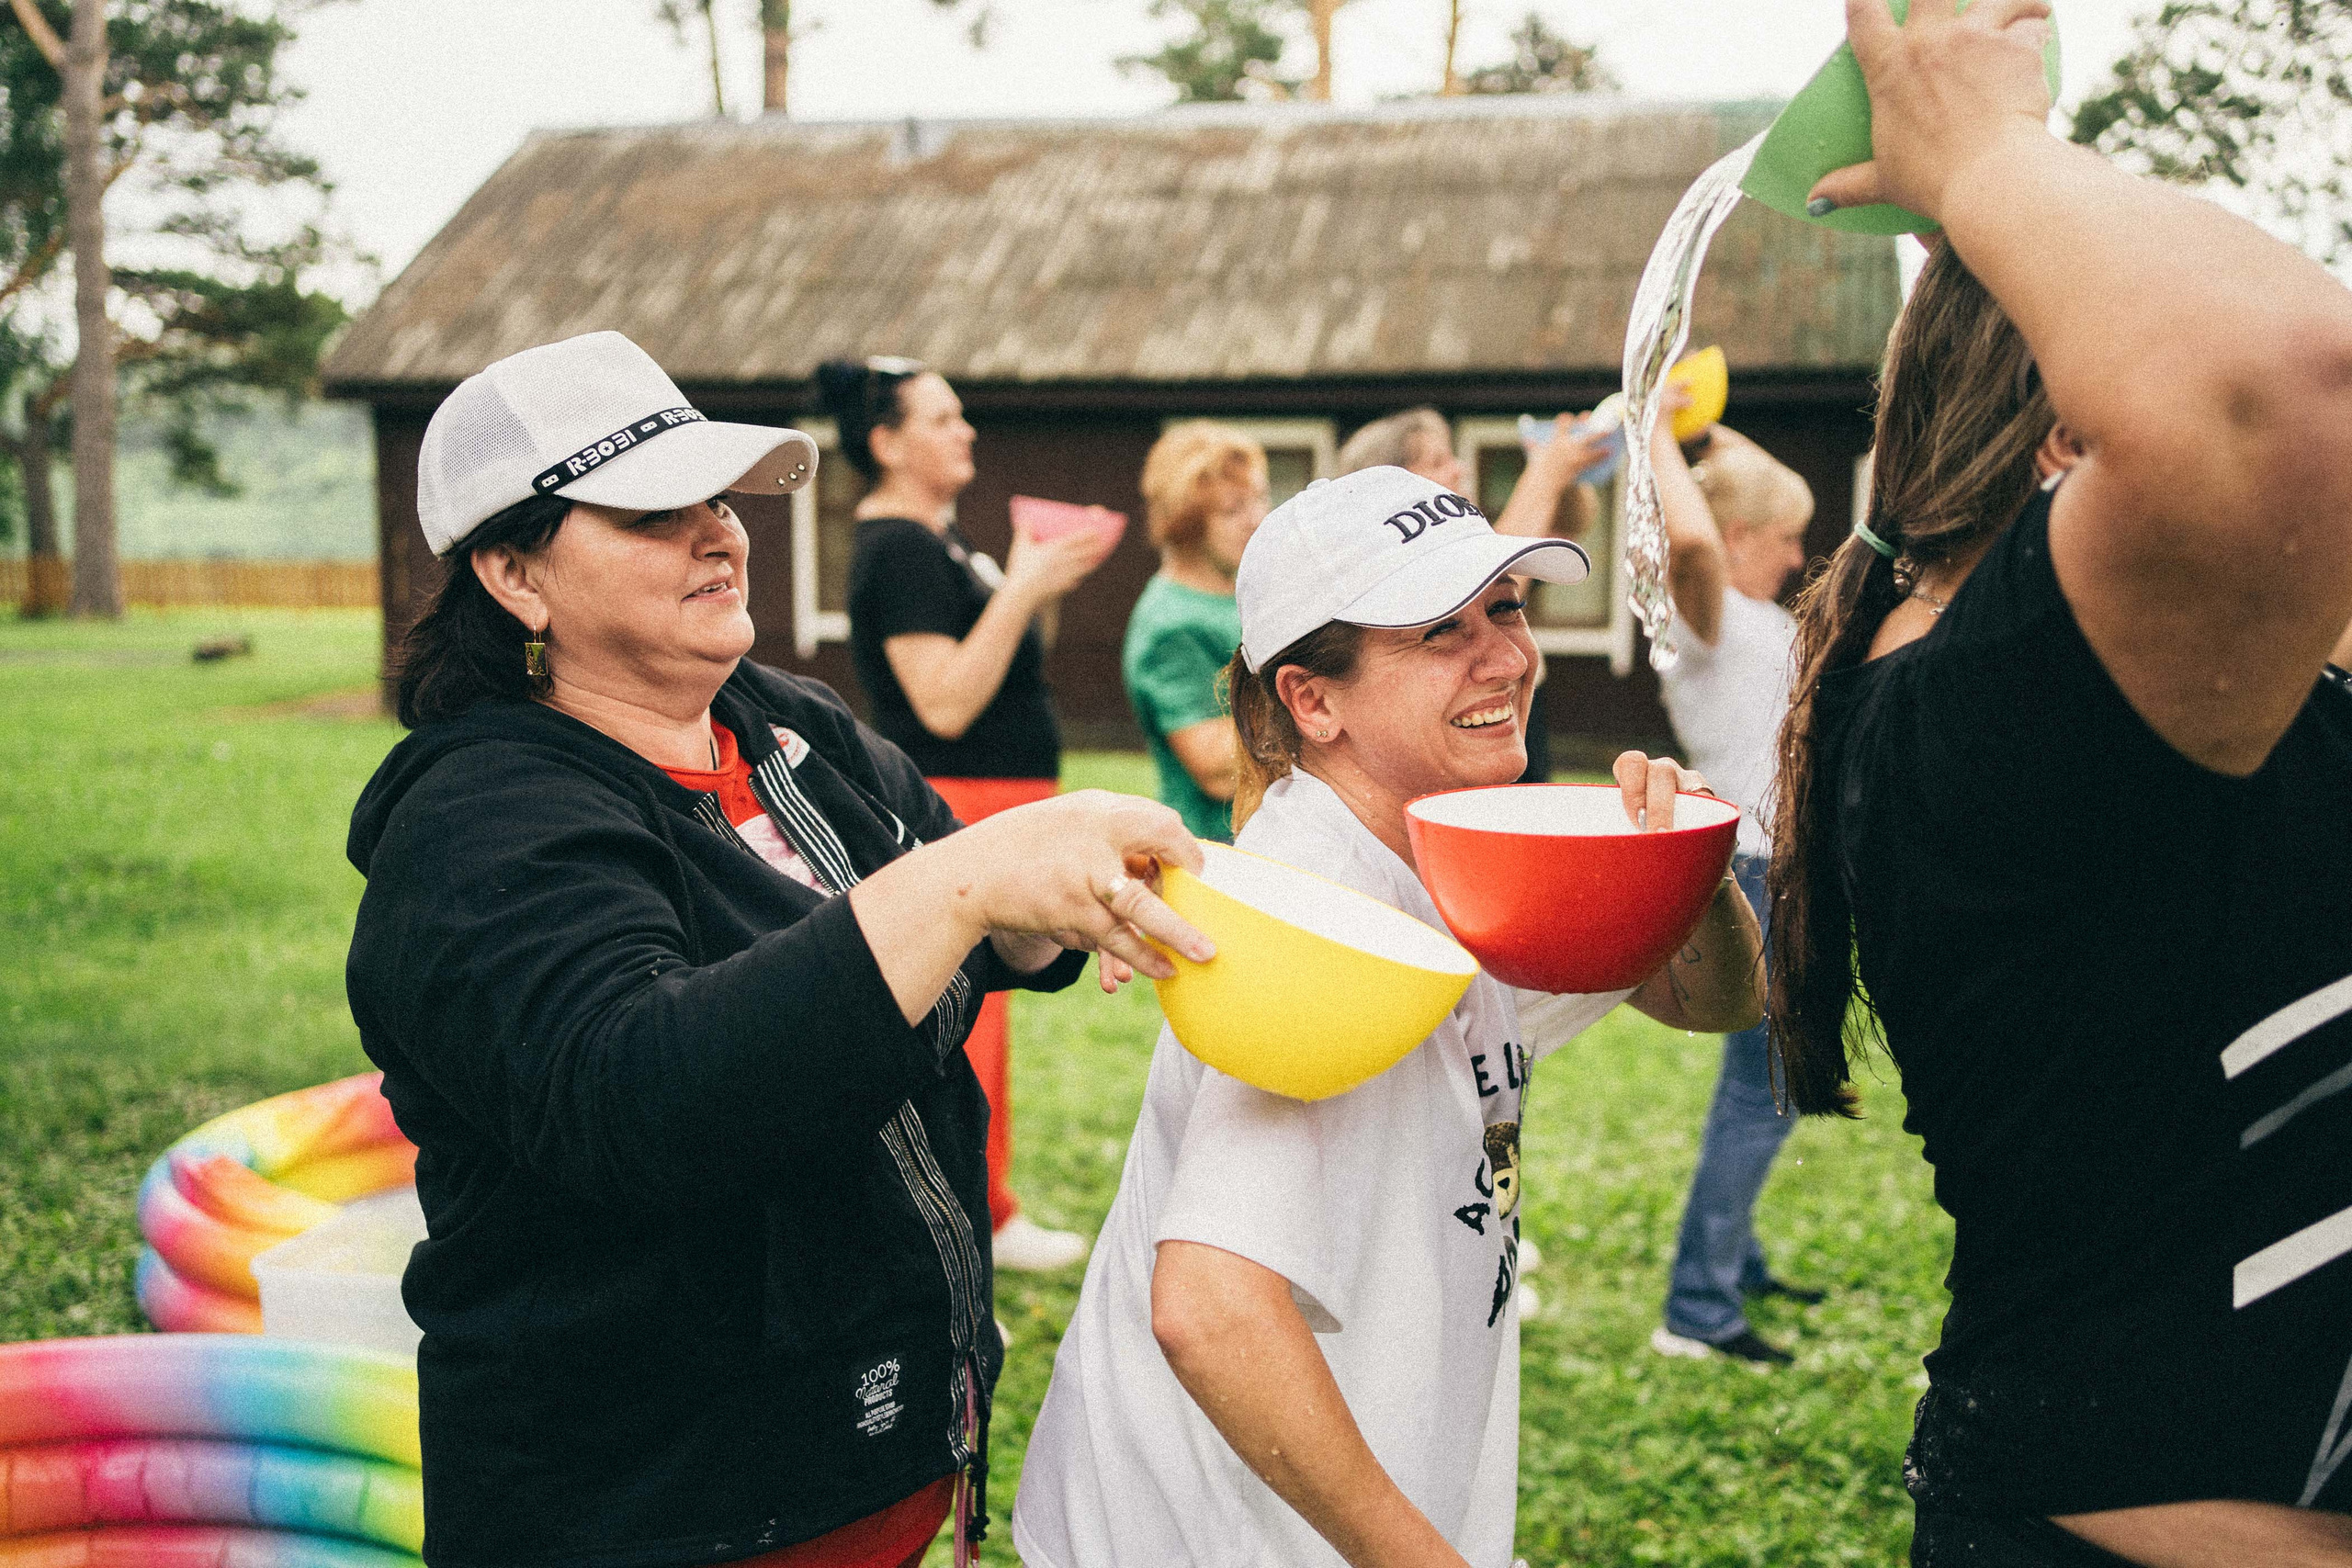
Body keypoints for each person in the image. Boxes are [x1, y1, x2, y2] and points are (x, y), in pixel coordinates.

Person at [347, 330, 1212, 1568]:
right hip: (657, 1503)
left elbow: (962, 917)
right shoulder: (476, 821)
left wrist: (1045, 907)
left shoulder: (782, 721)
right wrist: (964, 878)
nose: (719, 531)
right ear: (513, 572)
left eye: (715, 493)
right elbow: (648, 1099)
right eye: (652, 510)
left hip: (873, 1455)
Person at [1772, 3, 2352, 1563]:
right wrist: (1988, 156)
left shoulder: (2088, 688)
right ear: (2065, 441)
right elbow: (2291, 393)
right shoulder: (1995, 697)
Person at [1012, 466, 1765, 1568]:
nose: (1506, 656)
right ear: (1312, 701)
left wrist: (1686, 870)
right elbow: (1212, 1310)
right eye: (1438, 632)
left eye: (1505, 608)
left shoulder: (1455, 848)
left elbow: (1715, 1003)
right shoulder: (1317, 909)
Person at [818, 355, 1114, 1273]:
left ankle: (990, 1200)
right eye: (942, 419)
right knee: (967, 1018)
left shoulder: (937, 541)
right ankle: (976, 1209)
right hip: (960, 804)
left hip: (997, 798)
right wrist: (1023, 586)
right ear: (887, 443)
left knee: (992, 1017)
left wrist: (1033, 588)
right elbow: (943, 702)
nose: (967, 433)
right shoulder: (898, 548)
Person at [1644, 413, 1824, 1366]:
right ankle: (1698, 1311)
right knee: (1759, 1095)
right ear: (1742, 537)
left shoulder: (1751, 617)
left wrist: (1708, 429)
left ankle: (1737, 1259)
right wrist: (1653, 430)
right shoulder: (1701, 615)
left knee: (1771, 1085)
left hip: (1780, 864)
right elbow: (1686, 537)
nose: (1800, 556)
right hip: (1753, 868)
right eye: (1786, 536)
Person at [1336, 406, 1610, 783]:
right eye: (1438, 460)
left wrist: (1565, 473)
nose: (1458, 468)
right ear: (1390, 486)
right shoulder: (1392, 575)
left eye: (1505, 607)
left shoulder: (1471, 538)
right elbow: (1481, 583)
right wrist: (1546, 473)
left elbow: (1570, 525)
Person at [1122, 421, 1270, 843]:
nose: (1257, 518)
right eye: (1232, 509)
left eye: (1260, 497)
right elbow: (1217, 770)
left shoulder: (1244, 590)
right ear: (1186, 524)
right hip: (1220, 855)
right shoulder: (1170, 624)